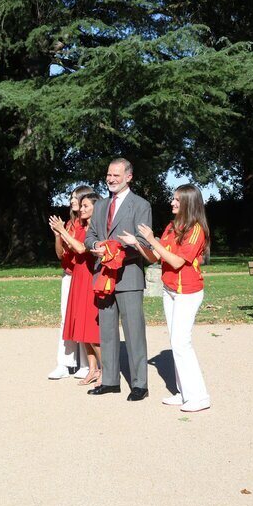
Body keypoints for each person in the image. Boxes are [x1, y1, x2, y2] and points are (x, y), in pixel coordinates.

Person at [120, 184, 211, 412]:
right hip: (170, 290)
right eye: (174, 199)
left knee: (182, 343)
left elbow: (177, 262)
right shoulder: (172, 226)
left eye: (177, 200)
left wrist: (153, 240)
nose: (172, 202)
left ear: (188, 203)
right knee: (176, 342)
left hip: (187, 292)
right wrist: (138, 244)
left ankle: (199, 397)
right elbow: (155, 257)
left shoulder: (196, 229)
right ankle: (184, 393)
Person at [84, 158, 152, 401]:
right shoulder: (101, 205)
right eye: (109, 175)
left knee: (134, 332)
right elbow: (89, 235)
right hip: (103, 276)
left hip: (129, 277)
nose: (111, 179)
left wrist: (113, 249)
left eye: (116, 175)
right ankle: (110, 381)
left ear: (129, 177)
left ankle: (139, 384)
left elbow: (143, 243)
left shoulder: (141, 205)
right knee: (108, 331)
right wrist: (96, 245)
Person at [50, 191, 103, 386]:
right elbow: (67, 251)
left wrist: (62, 231)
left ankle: (105, 370)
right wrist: (60, 234)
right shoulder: (80, 226)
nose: (81, 209)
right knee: (80, 325)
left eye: (85, 206)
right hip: (78, 277)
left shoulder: (97, 228)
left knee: (91, 328)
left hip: (90, 278)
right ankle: (92, 369)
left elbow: (82, 248)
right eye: (80, 206)